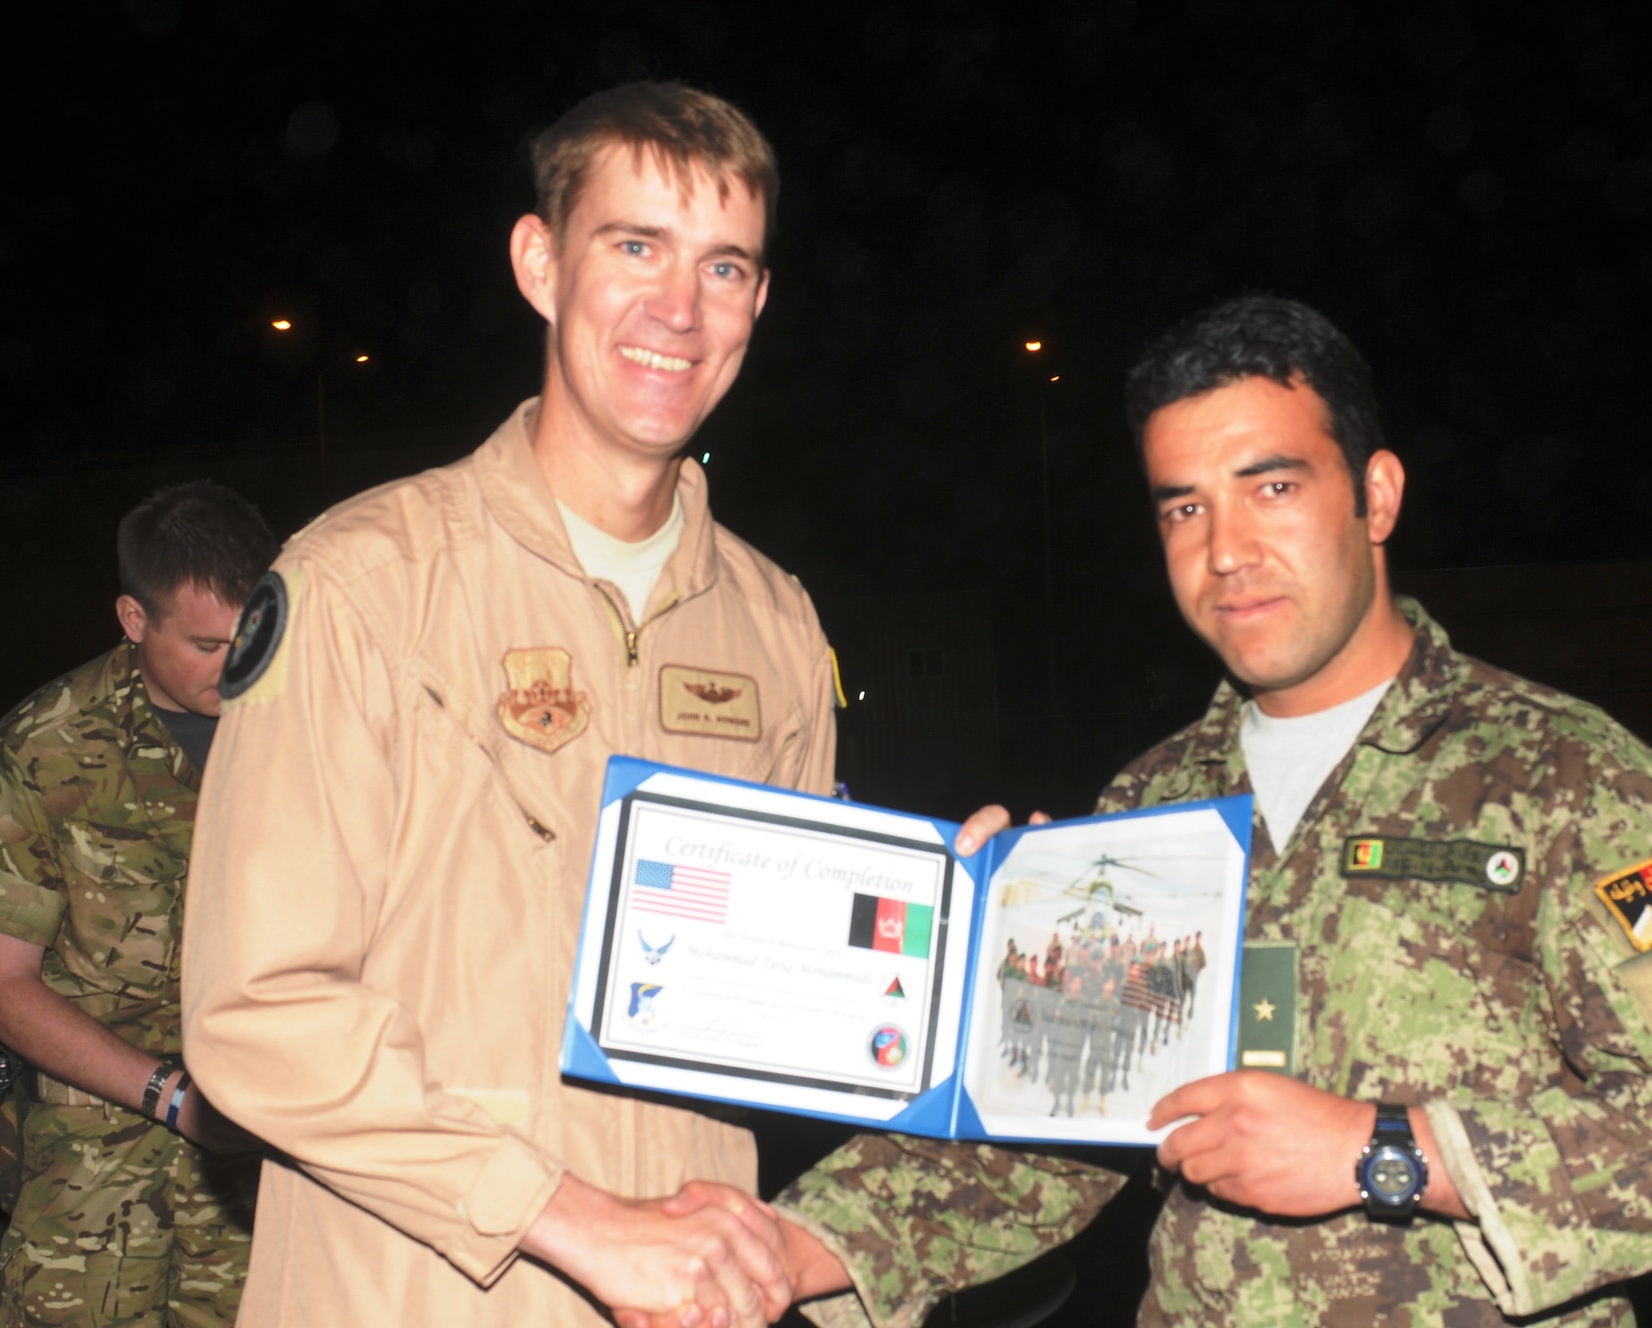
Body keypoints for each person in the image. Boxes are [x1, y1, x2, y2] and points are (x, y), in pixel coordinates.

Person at [181, 82, 1116, 1328]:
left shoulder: (774, 622)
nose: (677, 309)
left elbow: (789, 996)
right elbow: (254, 1014)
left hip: (691, 1303)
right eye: (635, 247)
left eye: (723, 267)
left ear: (758, 302)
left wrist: (957, 932)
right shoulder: (366, 584)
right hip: (410, 1294)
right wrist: (572, 1218)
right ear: (537, 260)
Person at [754, 295, 1652, 1326]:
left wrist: (1388, 1149)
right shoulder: (1146, 808)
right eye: (1184, 505)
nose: (1223, 550)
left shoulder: (1565, 775)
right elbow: (1057, 1138)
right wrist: (797, 1244)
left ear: (1377, 495)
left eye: (1269, 488)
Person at [0, 480, 276, 1327]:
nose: (237, 665)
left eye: (254, 635)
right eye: (206, 643)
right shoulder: (43, 748)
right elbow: (1, 985)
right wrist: (175, 1099)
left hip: (267, 1155)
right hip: (90, 1168)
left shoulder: (306, 730)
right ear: (134, 620)